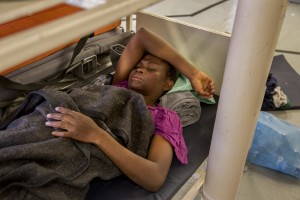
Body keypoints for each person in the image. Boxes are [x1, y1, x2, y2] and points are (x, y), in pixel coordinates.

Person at [45, 27, 215, 192]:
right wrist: (193, 73)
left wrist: (96, 134)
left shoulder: (164, 117)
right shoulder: (119, 85)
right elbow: (142, 36)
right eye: (138, 66)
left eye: (151, 69)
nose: (140, 69)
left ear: (168, 84)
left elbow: (155, 177)